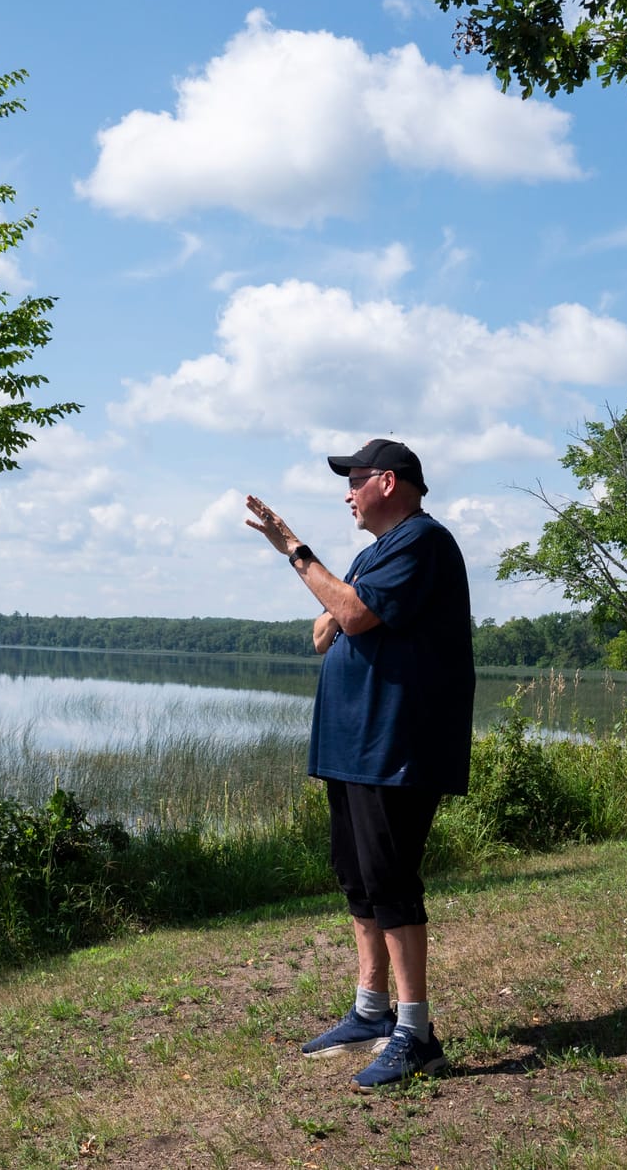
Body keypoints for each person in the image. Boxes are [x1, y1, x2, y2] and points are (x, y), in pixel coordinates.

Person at [245, 438, 474, 1090]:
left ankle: (416, 1032)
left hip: (395, 745)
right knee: (358, 874)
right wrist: (339, 611)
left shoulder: (423, 541)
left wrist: (294, 548)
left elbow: (348, 611)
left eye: (355, 479)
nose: (347, 491)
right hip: (354, 744)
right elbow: (330, 625)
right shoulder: (378, 552)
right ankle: (372, 1010)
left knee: (391, 877)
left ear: (390, 482)